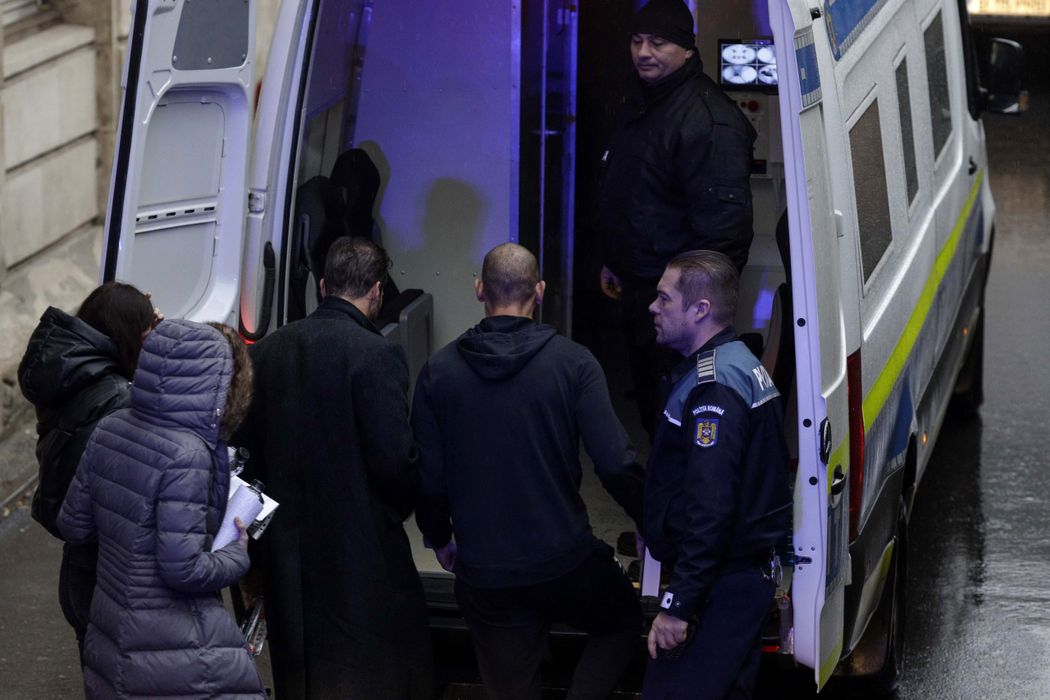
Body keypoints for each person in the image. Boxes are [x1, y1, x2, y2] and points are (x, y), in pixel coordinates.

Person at [413, 243, 645, 700]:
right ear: (539, 291)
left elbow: (430, 477)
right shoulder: (575, 363)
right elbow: (615, 462)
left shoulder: (439, 372)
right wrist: (648, 519)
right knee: (622, 620)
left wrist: (439, 537)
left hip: (487, 572)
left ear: (480, 290)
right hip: (566, 561)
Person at [236, 236, 433, 699]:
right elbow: (396, 464)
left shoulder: (266, 353)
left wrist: (261, 549)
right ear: (377, 292)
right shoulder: (376, 354)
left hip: (289, 561)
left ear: (323, 285)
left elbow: (246, 467)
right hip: (360, 555)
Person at [57, 320, 264, 699]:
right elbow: (183, 569)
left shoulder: (110, 427)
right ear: (217, 382)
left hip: (111, 628)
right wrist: (237, 553)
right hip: (175, 643)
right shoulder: (189, 454)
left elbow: (73, 525)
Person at [593, 0, 757, 437]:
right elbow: (634, 192)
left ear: (686, 49)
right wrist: (615, 259)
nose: (643, 52)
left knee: (680, 417)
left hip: (681, 307)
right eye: (637, 40)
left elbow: (724, 236)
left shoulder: (709, 122)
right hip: (641, 290)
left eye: (658, 42)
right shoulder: (642, 101)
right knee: (655, 410)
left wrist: (693, 313)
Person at [641, 251, 791, 699]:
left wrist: (678, 606)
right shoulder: (737, 362)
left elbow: (711, 506)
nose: (652, 307)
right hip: (737, 580)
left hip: (719, 588)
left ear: (700, 309)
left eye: (664, 298)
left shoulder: (715, 388)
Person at [17, 282, 157, 663]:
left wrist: (140, 327)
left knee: (99, 672)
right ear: (129, 336)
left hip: (79, 570)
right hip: (111, 575)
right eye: (146, 335)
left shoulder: (69, 371)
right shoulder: (118, 397)